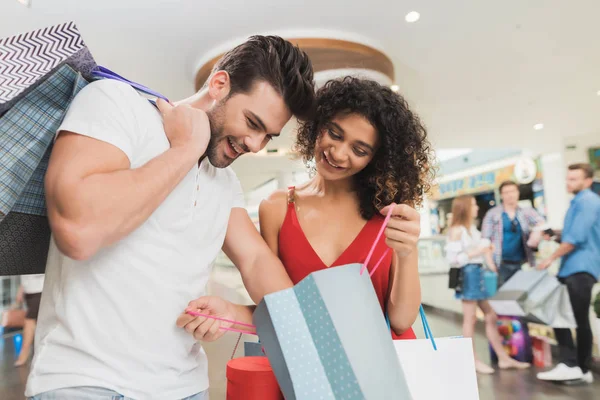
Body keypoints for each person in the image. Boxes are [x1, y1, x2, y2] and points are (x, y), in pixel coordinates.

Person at [25, 36, 315, 400]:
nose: (256, 145)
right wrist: (185, 149)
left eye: (268, 136)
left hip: (185, 388)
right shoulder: (116, 104)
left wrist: (310, 331)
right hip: (87, 382)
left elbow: (256, 261)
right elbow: (78, 231)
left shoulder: (224, 182)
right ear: (219, 84)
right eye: (252, 123)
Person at [179, 77, 433, 340]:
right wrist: (230, 312)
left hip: (384, 368)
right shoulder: (277, 208)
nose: (338, 153)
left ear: (375, 158)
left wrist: (406, 252)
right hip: (310, 371)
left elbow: (401, 321)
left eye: (359, 149)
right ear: (318, 126)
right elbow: (281, 309)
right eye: (334, 134)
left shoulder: (390, 213)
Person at [445, 195, 530, 374]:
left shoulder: (471, 230)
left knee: (490, 316)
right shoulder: (457, 230)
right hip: (468, 275)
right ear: (465, 208)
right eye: (474, 204)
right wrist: (479, 251)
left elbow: (481, 252)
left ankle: (503, 357)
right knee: (470, 319)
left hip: (478, 274)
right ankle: (473, 361)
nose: (477, 208)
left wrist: (487, 256)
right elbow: (453, 259)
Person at [536, 163, 600, 384]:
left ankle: (580, 368)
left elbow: (575, 240)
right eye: (568, 178)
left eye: (574, 179)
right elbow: (572, 234)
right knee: (559, 314)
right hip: (571, 268)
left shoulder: (588, 202)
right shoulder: (578, 202)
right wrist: (554, 233)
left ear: (588, 181)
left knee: (579, 320)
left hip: (581, 269)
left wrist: (549, 259)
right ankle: (570, 363)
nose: (568, 182)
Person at [481, 180, 545, 286]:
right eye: (506, 192)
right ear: (501, 195)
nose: (510, 195)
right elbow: (485, 240)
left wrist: (536, 233)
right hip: (500, 263)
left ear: (517, 192)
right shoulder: (493, 214)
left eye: (513, 191)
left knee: (523, 296)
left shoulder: (526, 211)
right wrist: (490, 264)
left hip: (522, 263)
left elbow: (541, 223)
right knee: (505, 298)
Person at [13, 274, 45, 367]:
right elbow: (25, 274)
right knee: (36, 322)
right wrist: (21, 290)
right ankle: (37, 352)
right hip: (29, 291)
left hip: (39, 290)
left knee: (29, 321)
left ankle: (24, 353)